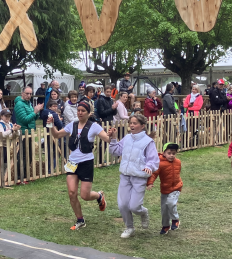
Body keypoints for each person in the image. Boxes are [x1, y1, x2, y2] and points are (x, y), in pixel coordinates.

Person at [48, 101, 108, 230]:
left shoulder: (94, 126)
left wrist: (112, 136)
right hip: (73, 163)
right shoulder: (72, 125)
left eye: (83, 111)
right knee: (71, 193)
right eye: (78, 110)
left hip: (86, 163)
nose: (80, 113)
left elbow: (107, 139)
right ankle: (80, 220)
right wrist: (51, 125)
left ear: (89, 113)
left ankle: (99, 196)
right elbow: (57, 135)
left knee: (85, 196)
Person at [108, 114, 160, 238]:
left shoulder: (148, 142)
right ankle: (129, 227)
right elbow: (115, 151)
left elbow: (153, 160)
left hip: (139, 177)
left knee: (134, 206)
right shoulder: (127, 138)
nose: (131, 125)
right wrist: (114, 138)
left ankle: (143, 212)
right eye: (130, 123)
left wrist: (149, 166)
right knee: (123, 205)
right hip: (125, 176)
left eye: (135, 123)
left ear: (142, 126)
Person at [147, 143, 182, 235]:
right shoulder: (159, 164)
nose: (171, 155)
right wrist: (150, 183)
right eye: (169, 153)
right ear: (164, 153)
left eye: (173, 153)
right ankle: (166, 225)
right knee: (164, 209)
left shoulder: (178, 162)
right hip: (165, 189)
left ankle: (175, 219)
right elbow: (154, 174)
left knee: (171, 203)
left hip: (176, 187)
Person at [14, 87, 44, 183]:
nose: (29, 95)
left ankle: (26, 176)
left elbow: (33, 119)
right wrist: (34, 112)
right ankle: (19, 177)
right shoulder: (19, 104)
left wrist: (37, 112)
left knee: (30, 155)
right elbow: (24, 119)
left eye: (30, 94)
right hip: (23, 132)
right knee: (23, 156)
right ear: (22, 93)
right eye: (27, 93)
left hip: (30, 132)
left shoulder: (29, 104)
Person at [0, 109, 21, 184]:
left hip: (8, 145)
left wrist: (16, 130)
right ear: (2, 116)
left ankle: (4, 179)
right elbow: (3, 135)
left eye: (9, 116)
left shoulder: (10, 124)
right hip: (1, 146)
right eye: (6, 116)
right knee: (1, 163)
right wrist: (12, 130)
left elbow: (17, 134)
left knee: (6, 162)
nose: (7, 118)